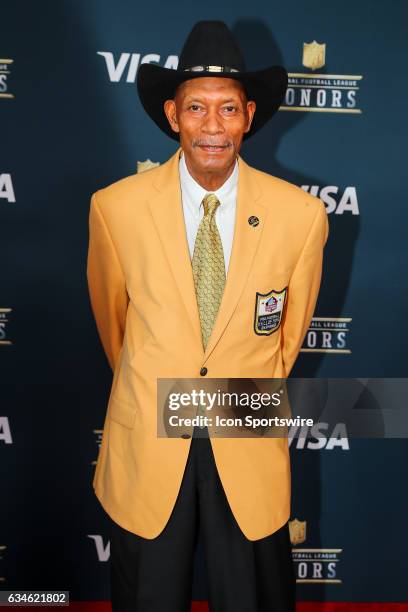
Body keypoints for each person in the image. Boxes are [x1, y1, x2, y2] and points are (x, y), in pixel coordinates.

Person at [86, 20, 329, 612]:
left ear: (249, 116)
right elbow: (113, 327)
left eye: (227, 109)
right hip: (148, 444)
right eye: (196, 107)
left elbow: (286, 340)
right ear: (172, 115)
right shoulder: (114, 208)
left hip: (244, 433)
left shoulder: (301, 216)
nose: (212, 126)